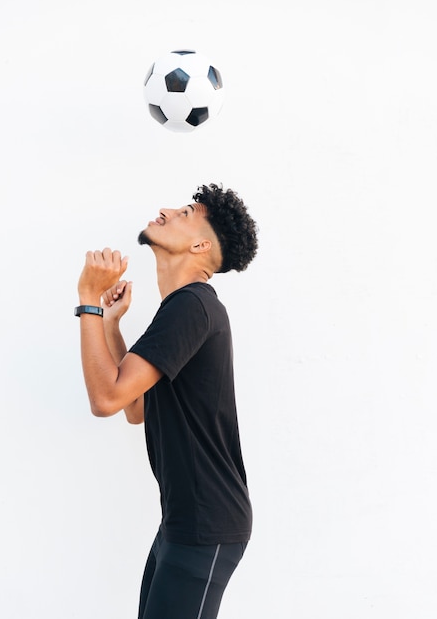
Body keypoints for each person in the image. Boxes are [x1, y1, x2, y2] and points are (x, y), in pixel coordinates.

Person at [76, 183, 258, 619]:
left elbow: (104, 399)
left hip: (205, 524)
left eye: (185, 211)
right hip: (184, 521)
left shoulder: (191, 307)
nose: (166, 209)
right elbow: (135, 409)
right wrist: (113, 327)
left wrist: (88, 302)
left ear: (200, 243)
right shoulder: (181, 311)